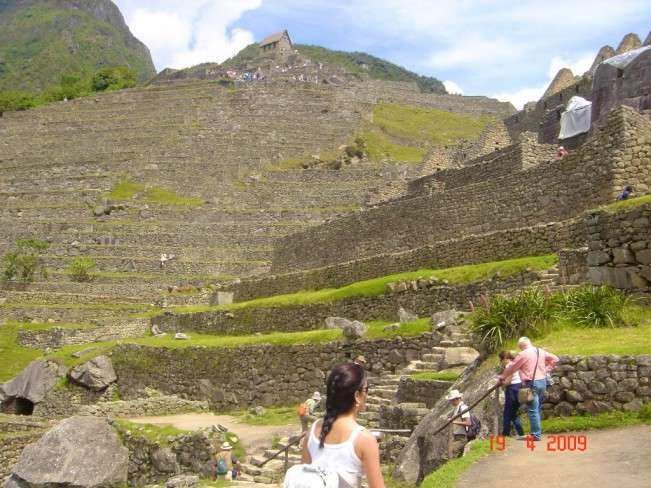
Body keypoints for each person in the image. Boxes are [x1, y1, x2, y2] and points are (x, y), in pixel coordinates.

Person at [301, 363, 384, 488]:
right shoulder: (364, 439)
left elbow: (303, 478)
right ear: (357, 396)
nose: (367, 395)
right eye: (366, 389)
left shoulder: (314, 429)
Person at [498, 337, 558, 441]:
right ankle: (536, 432)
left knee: (532, 409)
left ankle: (536, 435)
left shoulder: (523, 354)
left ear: (521, 346)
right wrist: (546, 369)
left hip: (532, 383)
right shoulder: (540, 351)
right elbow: (555, 359)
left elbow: (512, 367)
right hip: (542, 382)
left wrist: (502, 377)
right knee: (537, 408)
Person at [498, 351, 525, 438]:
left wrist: (502, 383)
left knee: (507, 413)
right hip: (518, 387)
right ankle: (521, 433)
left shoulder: (509, 366)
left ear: (505, 358)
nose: (501, 361)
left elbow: (508, 381)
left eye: (501, 359)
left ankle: (505, 434)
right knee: (513, 413)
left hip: (512, 389)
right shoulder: (515, 364)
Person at [444, 389, 471, 459]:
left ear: (456, 399)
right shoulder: (457, 408)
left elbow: (468, 423)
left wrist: (453, 421)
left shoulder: (463, 408)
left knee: (449, 452)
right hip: (456, 436)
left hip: (462, 437)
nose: (450, 402)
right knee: (451, 453)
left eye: (451, 400)